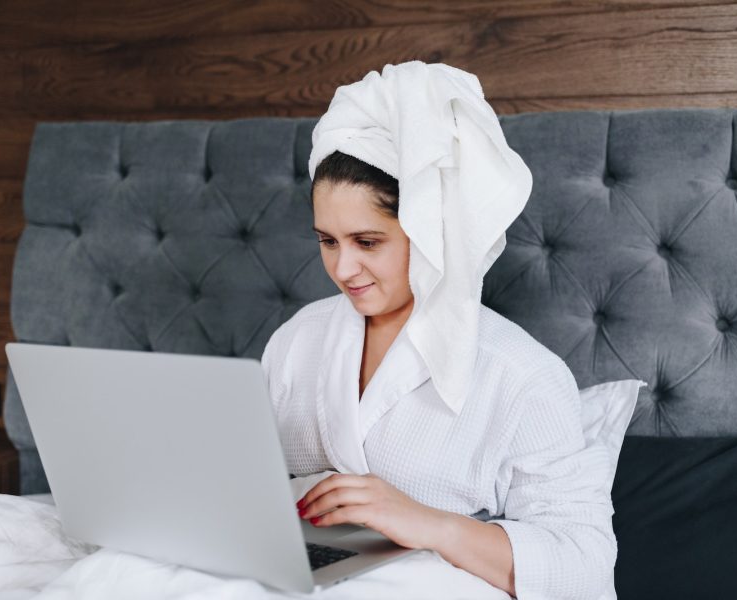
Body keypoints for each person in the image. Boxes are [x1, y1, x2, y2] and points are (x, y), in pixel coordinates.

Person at [261, 63, 617, 600]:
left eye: (367, 241)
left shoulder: (522, 377)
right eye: (327, 241)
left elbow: (584, 569)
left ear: (432, 232)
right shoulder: (299, 339)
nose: (342, 270)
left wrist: (428, 523)